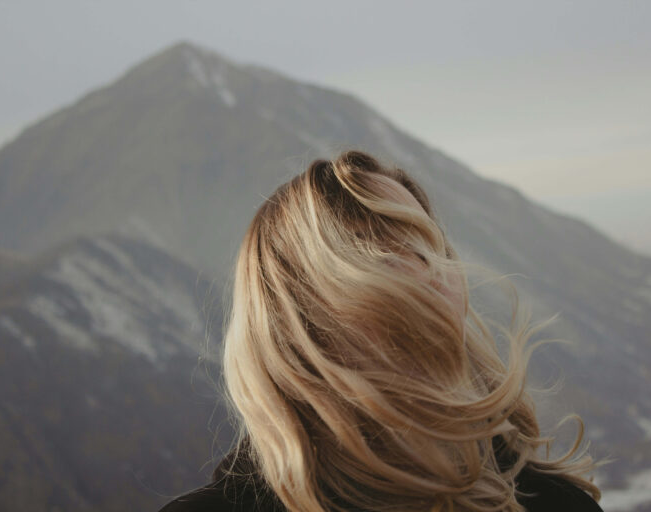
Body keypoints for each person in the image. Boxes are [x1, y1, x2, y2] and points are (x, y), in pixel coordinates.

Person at [158, 150, 605, 511]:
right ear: (296, 318)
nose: (430, 270)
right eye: (375, 250)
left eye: (429, 244)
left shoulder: (554, 505)